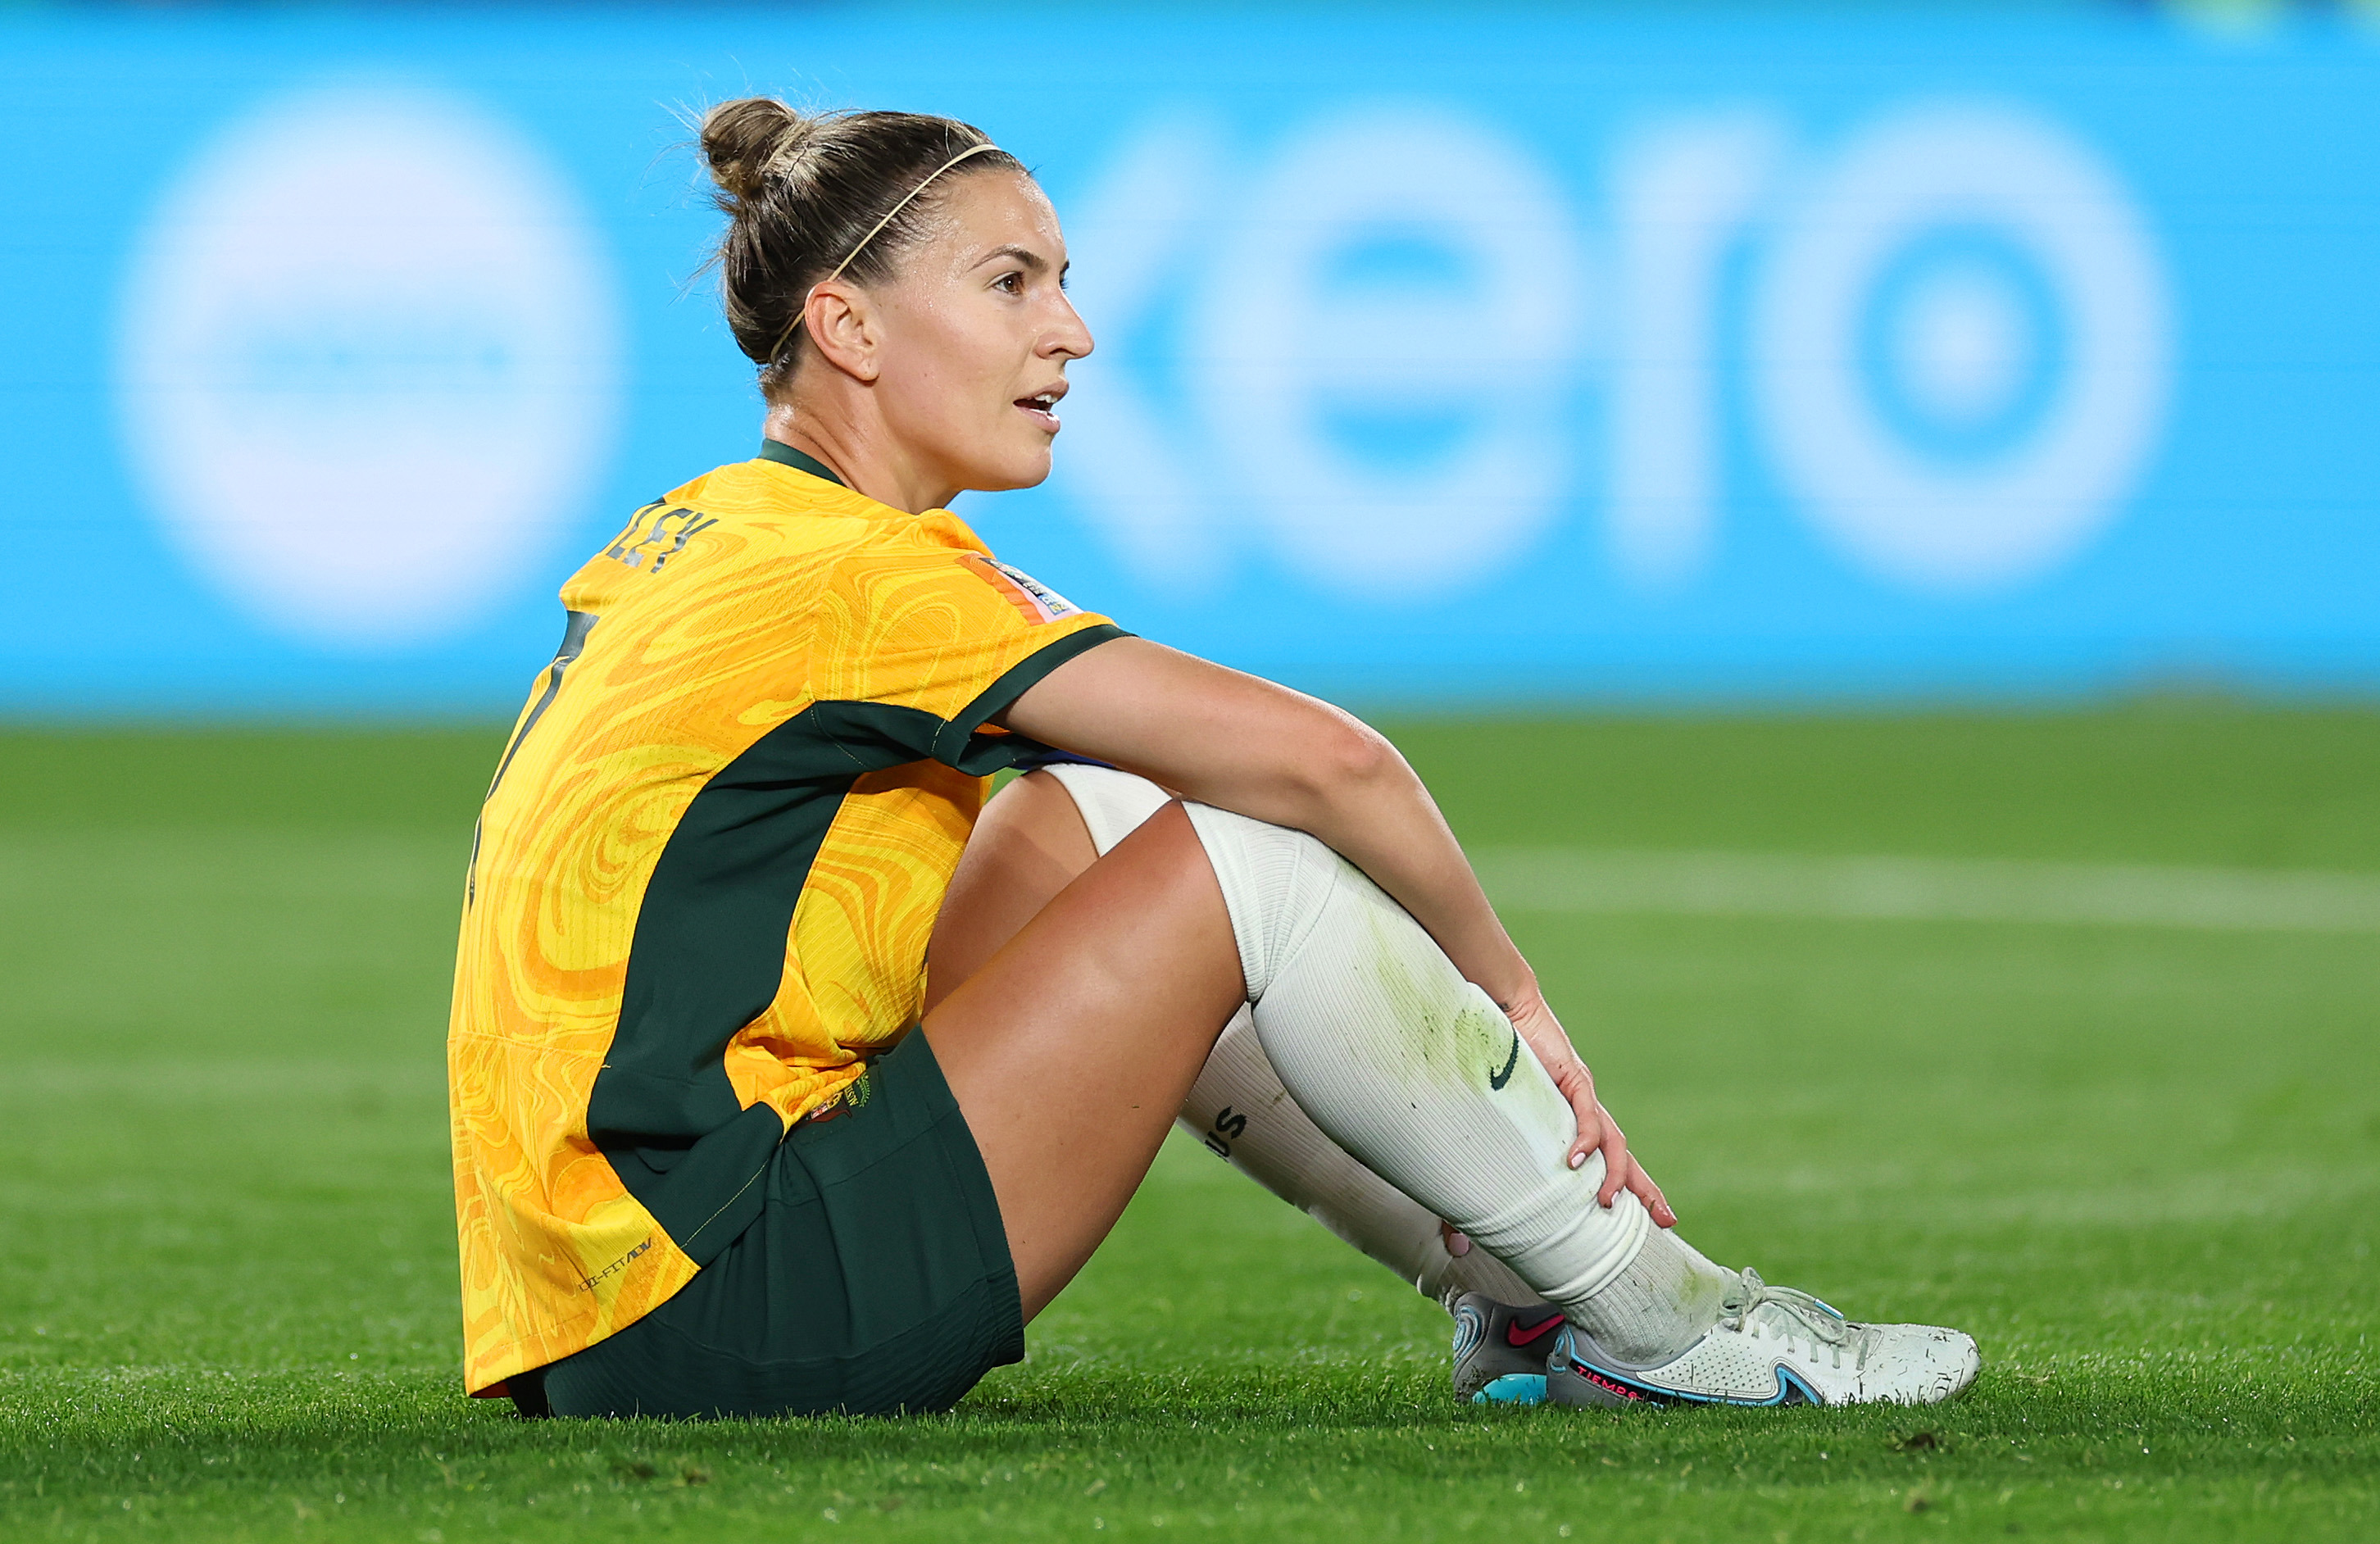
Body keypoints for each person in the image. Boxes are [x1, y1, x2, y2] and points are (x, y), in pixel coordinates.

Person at [446, 98, 1980, 1420]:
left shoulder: (721, 528)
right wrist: (1519, 1001)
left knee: (1106, 807)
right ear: (847, 325)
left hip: (595, 1300)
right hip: (715, 1302)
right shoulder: (864, 579)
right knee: (1245, 858)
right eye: (1011, 282)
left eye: (1063, 281)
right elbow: (1335, 767)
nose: (1073, 330)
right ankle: (1659, 1320)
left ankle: (1514, 1299)